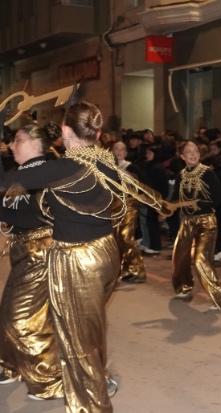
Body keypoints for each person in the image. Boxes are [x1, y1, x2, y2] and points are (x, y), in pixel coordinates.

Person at [0, 102, 169, 412]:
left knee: (77, 344)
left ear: (65, 131)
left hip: (77, 257)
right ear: (98, 133)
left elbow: (10, 182)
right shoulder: (104, 161)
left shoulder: (66, 168)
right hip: (105, 251)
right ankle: (98, 384)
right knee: (89, 334)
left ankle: (91, 405)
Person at [0, 125, 63, 400]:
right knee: (8, 311)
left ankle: (50, 380)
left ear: (37, 143)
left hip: (42, 251)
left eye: (18, 140)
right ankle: (10, 364)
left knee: (21, 318)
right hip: (21, 250)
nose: (12, 145)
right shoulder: (16, 173)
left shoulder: (49, 173)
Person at [170, 141, 221, 311]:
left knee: (200, 259)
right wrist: (165, 207)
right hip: (187, 222)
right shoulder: (181, 175)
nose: (193, 154)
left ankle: (219, 299)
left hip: (206, 221)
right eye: (189, 152)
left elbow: (218, 199)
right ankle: (184, 287)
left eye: (195, 151)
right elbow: (175, 199)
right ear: (182, 156)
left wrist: (195, 204)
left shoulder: (208, 173)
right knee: (179, 257)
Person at [112, 141, 148, 283]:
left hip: (129, 207)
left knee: (126, 237)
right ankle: (126, 269)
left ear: (126, 153)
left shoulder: (131, 167)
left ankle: (138, 270)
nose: (119, 152)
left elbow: (142, 185)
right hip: (114, 208)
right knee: (117, 240)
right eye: (116, 149)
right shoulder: (108, 167)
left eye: (122, 149)